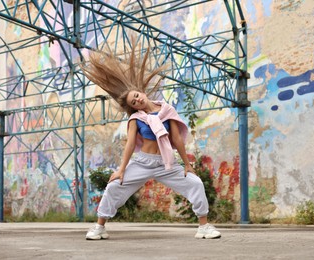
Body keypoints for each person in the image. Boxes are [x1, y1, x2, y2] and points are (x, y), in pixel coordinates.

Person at [80, 39, 221, 240]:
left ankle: (204, 227)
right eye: (133, 102)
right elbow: (129, 145)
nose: (137, 100)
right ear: (133, 107)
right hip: (142, 162)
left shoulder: (167, 110)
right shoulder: (135, 119)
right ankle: (99, 227)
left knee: (196, 183)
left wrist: (187, 165)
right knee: (113, 187)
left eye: (137, 95)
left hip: (166, 163)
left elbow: (176, 140)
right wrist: (120, 170)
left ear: (143, 93)